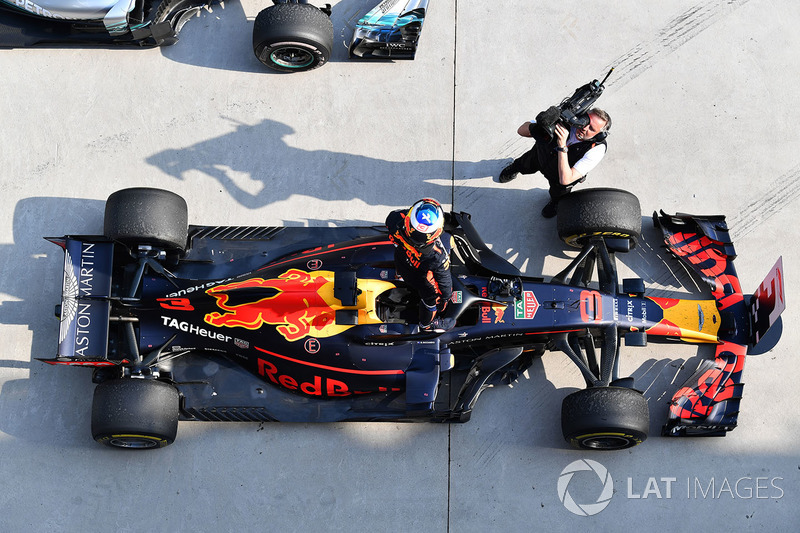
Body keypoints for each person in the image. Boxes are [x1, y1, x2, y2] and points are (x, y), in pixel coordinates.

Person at [498, 107, 611, 218]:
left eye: (592, 129)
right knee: (523, 164)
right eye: (585, 121)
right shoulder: (564, 120)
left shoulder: (596, 149)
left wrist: (562, 145)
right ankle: (513, 169)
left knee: (559, 194)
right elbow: (521, 131)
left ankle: (555, 203)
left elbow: (566, 179)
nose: (584, 128)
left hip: (560, 175)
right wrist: (540, 124)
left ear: (598, 135)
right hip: (539, 155)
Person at [385, 199, 454, 332]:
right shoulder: (437, 255)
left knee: (401, 261)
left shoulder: (394, 220)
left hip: (401, 262)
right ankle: (427, 325)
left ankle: (399, 277)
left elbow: (396, 217)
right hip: (420, 276)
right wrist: (446, 297)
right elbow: (444, 280)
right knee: (432, 299)